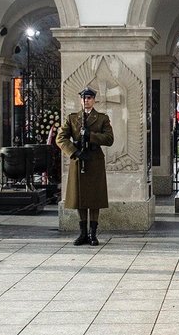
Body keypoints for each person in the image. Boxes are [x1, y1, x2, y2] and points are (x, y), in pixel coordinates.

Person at [56, 86, 114, 246]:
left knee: (94, 198)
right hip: (79, 160)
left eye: (89, 98)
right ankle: (82, 234)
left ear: (94, 100)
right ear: (80, 100)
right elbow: (60, 138)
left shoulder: (102, 118)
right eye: (83, 98)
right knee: (79, 198)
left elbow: (109, 139)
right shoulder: (72, 118)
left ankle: (93, 234)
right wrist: (74, 152)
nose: (86, 101)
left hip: (94, 160)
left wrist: (91, 136)